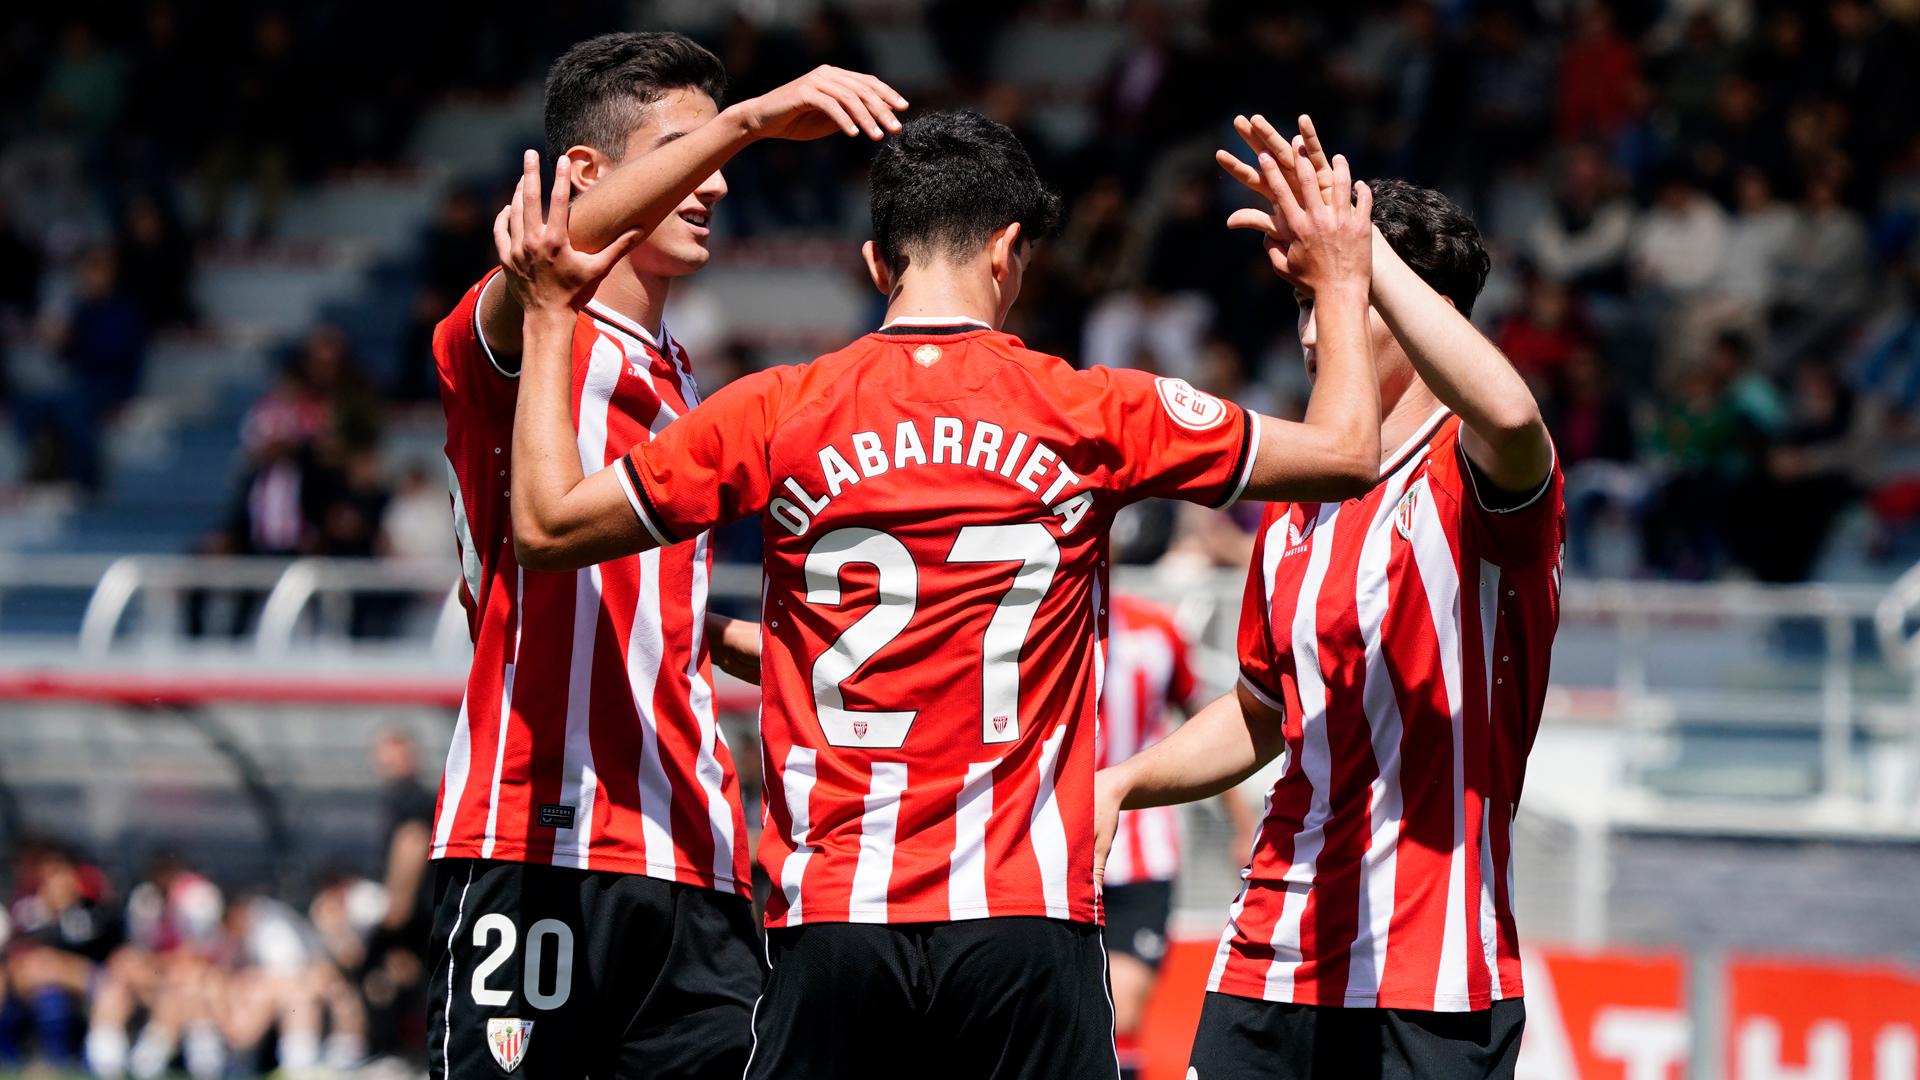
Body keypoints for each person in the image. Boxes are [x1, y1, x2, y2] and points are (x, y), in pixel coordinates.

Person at [496, 107, 1384, 1079]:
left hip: (835, 919)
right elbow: (1346, 454)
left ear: (876, 263)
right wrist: (1340, 281)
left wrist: (549, 313)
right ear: (1009, 251)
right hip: (1023, 918)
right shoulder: (1094, 409)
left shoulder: (774, 409)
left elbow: (547, 527)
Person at [426, 31, 909, 1080]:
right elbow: (544, 261)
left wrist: (789, 651)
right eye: (684, 152)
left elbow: (648, 611)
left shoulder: (678, 375)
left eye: (718, 154)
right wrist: (751, 118)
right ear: (586, 172)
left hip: (694, 849)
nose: (717, 181)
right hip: (537, 839)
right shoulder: (508, 335)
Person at [1097, 114, 1563, 1080]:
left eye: (1336, 304)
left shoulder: (1474, 470)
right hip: (1272, 953)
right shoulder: (1297, 498)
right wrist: (1121, 783)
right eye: (1305, 305)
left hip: (1435, 974)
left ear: (1423, 312)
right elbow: (1263, 712)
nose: (1314, 332)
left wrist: (1359, 261)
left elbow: (1514, 415)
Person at [1096, 593, 1251, 1080]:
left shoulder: (1156, 629)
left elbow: (1211, 722)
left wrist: (1243, 823)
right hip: (1056, 854)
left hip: (1142, 855)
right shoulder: (1037, 620)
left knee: (1122, 1011)